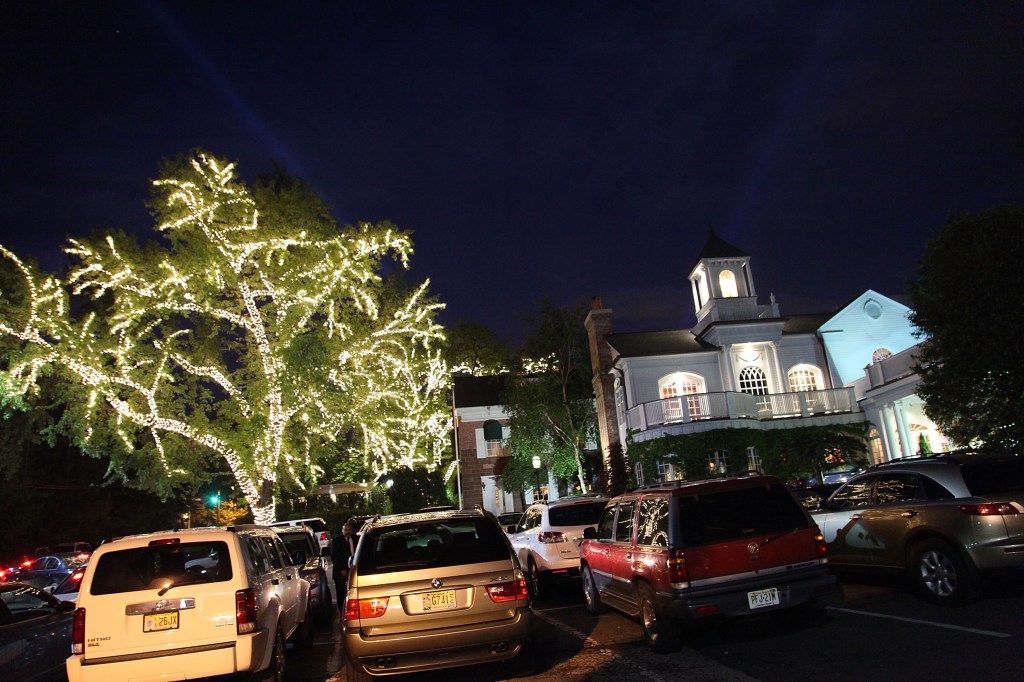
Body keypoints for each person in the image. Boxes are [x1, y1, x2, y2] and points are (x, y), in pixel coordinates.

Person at [330, 522, 356, 614]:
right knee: (341, 593)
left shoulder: (355, 539)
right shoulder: (336, 541)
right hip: (341, 572)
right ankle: (342, 611)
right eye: (345, 530)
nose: (347, 532)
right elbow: (334, 557)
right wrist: (341, 569)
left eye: (349, 530)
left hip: (353, 569)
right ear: (342, 531)